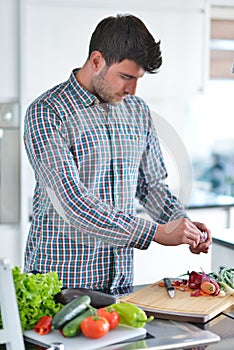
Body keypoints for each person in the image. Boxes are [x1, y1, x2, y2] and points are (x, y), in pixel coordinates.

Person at [24, 14, 212, 292]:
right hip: (62, 283)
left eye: (138, 79)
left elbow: (151, 185)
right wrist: (156, 233)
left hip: (120, 283)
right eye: (125, 76)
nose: (132, 89)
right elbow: (71, 201)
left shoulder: (137, 110)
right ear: (97, 61)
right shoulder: (47, 111)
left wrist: (179, 224)